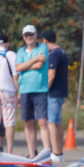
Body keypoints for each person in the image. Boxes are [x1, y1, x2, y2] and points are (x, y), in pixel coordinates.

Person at [15, 25, 51, 158]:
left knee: (42, 122)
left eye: (31, 35)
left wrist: (26, 65)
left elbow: (40, 65)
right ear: (23, 37)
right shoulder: (20, 51)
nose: (29, 37)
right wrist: (35, 59)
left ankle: (47, 153)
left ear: (36, 35)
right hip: (25, 89)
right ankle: (32, 154)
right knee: (28, 122)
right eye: (26, 35)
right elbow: (18, 67)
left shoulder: (42, 47)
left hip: (40, 89)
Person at [41, 29, 69, 162]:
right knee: (58, 121)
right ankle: (60, 152)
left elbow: (51, 75)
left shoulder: (53, 53)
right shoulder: (62, 51)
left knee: (51, 121)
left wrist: (44, 89)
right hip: (61, 91)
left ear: (45, 40)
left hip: (53, 92)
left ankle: (55, 152)